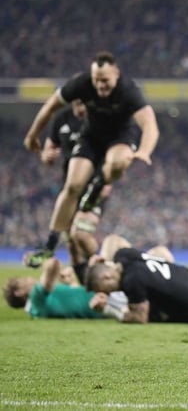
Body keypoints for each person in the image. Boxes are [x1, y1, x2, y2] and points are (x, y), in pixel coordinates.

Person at [22, 51, 159, 268]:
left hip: (120, 136)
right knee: (72, 185)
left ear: (116, 74)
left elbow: (150, 124)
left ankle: (97, 188)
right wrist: (32, 136)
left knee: (117, 163)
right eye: (96, 80)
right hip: (92, 137)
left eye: (105, 80)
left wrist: (145, 151)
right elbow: (49, 107)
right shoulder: (81, 85)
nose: (100, 85)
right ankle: (49, 246)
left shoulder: (129, 91)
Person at [40, 98, 111, 284]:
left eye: (85, 104)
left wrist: (106, 181)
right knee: (72, 244)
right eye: (78, 104)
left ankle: (104, 272)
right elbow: (49, 148)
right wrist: (47, 156)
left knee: (80, 234)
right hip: (70, 191)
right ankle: (87, 287)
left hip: (95, 187)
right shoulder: (60, 119)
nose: (81, 109)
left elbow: (111, 152)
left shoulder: (100, 121)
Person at [85, 234, 188, 324]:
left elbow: (139, 318)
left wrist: (107, 308)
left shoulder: (132, 282)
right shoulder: (123, 255)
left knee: (145, 312)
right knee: (158, 253)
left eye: (106, 290)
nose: (109, 293)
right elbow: (114, 240)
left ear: (107, 276)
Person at [3, 257, 125, 319]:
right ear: (19, 293)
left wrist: (71, 282)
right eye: (24, 280)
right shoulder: (35, 298)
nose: (29, 278)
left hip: (105, 297)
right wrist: (36, 259)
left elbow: (75, 298)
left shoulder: (39, 307)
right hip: (107, 298)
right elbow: (53, 264)